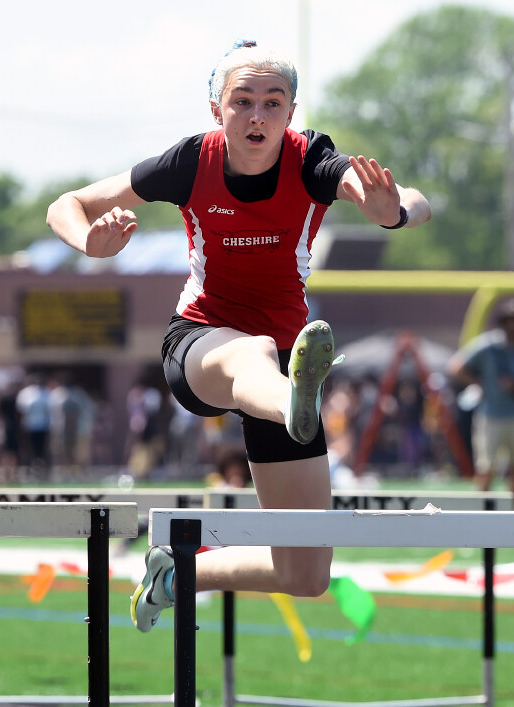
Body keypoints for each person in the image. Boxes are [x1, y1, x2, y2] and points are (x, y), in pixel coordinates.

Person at [45, 40, 431, 632]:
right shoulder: (189, 163)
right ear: (216, 109)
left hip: (281, 368)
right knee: (252, 351)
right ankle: (293, 401)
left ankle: (177, 574)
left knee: (307, 573)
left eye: (273, 103)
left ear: (291, 112)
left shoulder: (312, 162)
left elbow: (414, 201)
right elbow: (65, 205)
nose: (257, 116)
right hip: (201, 345)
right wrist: (89, 244)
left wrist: (392, 212)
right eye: (242, 101)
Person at [446, 299, 514, 493]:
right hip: (491, 415)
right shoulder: (489, 345)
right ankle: (483, 514)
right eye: (510, 320)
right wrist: (479, 382)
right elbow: (456, 367)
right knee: (486, 469)